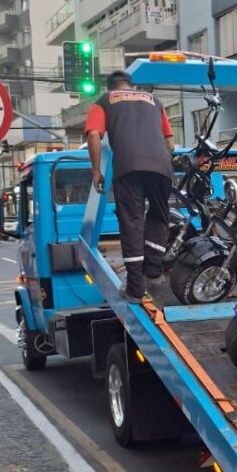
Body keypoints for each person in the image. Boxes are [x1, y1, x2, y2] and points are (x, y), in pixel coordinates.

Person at [85, 70, 175, 304]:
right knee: (159, 215)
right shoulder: (155, 101)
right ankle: (153, 271)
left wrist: (96, 171)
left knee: (132, 222)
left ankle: (135, 289)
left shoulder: (104, 101)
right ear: (132, 87)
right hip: (162, 166)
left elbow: (94, 135)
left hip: (128, 167)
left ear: (110, 88)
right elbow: (170, 142)